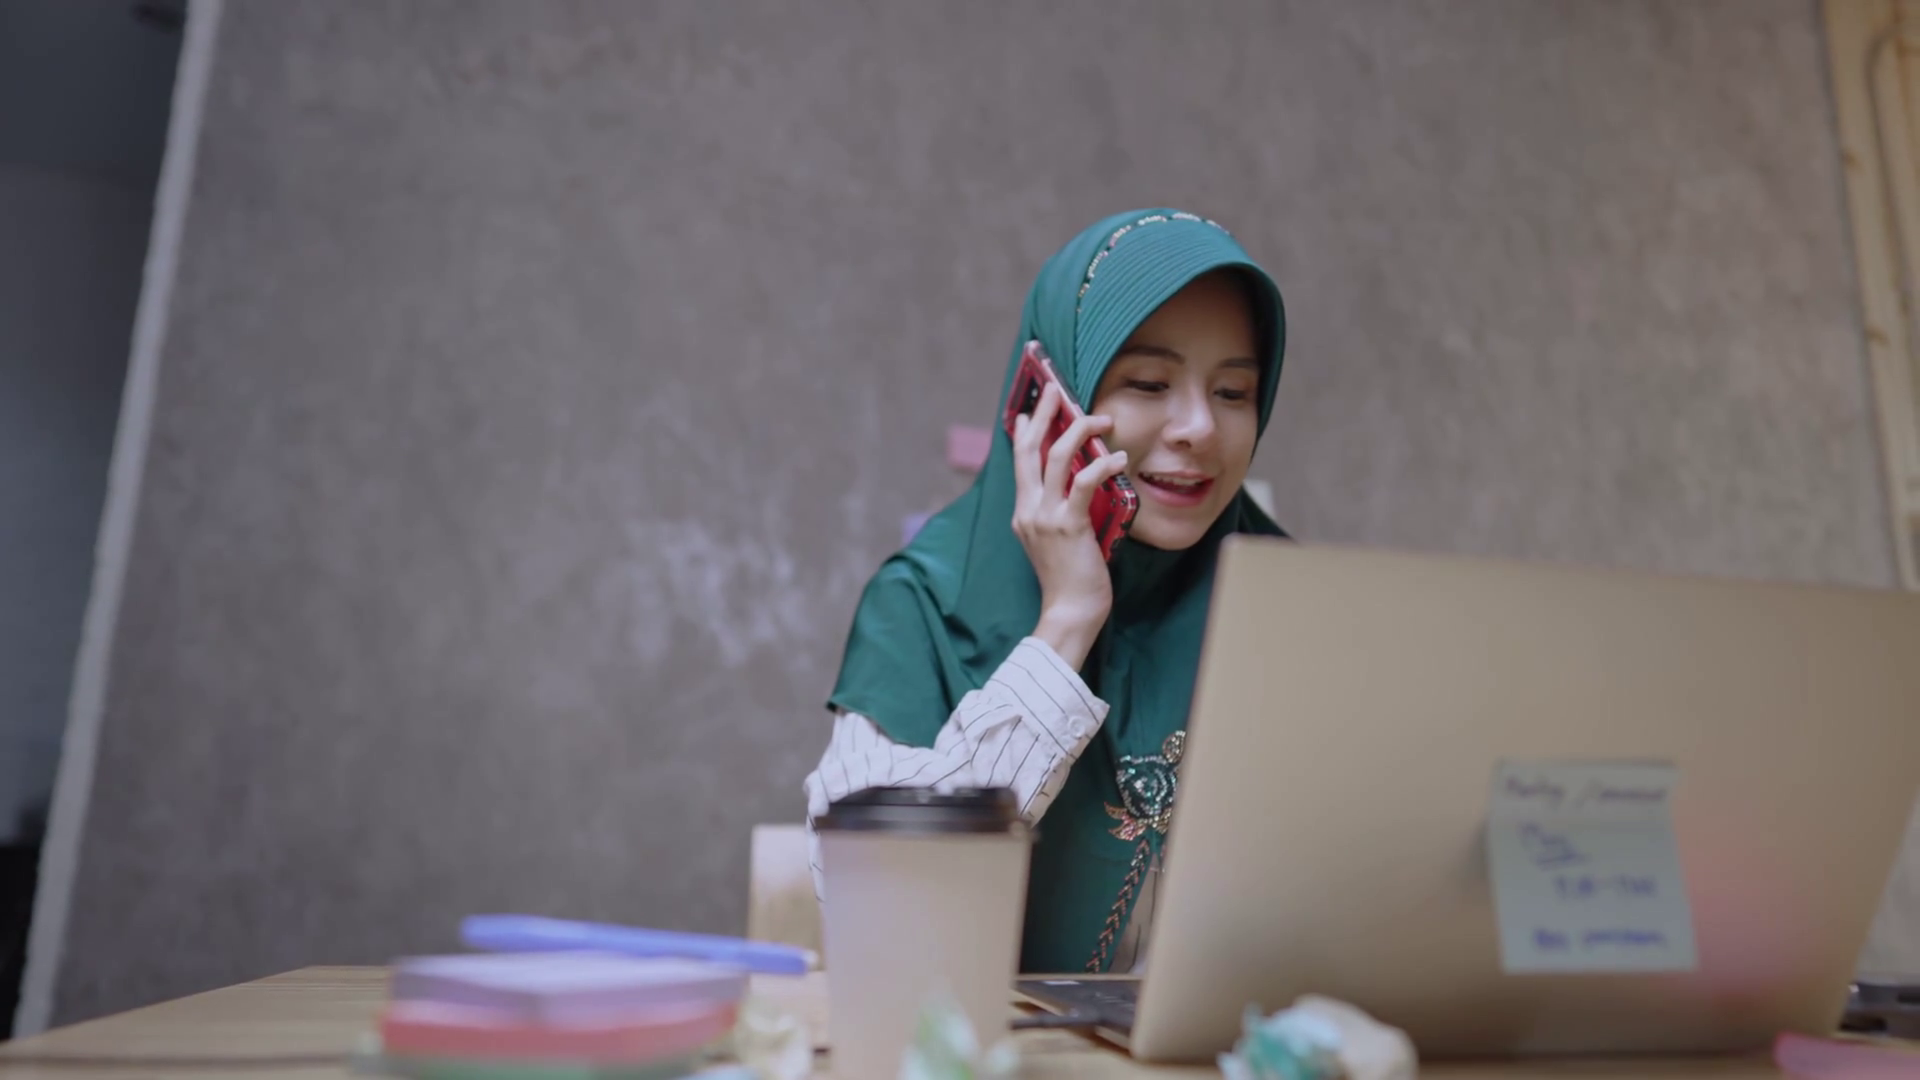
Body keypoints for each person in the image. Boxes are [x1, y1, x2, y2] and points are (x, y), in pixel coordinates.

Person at [804, 209, 1288, 974]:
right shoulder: (922, 606)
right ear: (1050, 404)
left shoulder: (1287, 601)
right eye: (1149, 383)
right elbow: (888, 923)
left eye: (1234, 391)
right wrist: (1065, 621)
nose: (1199, 427)